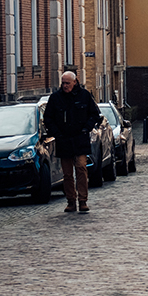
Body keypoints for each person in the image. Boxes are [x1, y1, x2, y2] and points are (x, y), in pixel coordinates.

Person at [43, 71, 101, 213]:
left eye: (67, 83)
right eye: (63, 83)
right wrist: (56, 133)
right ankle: (71, 200)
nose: (65, 86)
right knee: (67, 174)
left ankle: (83, 200)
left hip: (80, 139)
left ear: (75, 82)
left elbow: (94, 114)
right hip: (63, 140)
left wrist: (86, 128)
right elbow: (48, 118)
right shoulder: (56, 98)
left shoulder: (84, 96)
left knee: (81, 167)